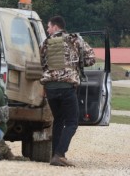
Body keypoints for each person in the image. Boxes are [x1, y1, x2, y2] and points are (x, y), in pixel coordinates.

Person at [40, 15, 96, 167]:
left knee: (58, 120)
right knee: (72, 122)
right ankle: (60, 154)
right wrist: (78, 62)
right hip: (67, 87)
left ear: (56, 27)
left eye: (49, 26)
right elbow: (91, 58)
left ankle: (54, 155)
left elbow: (42, 63)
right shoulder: (75, 40)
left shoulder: (45, 43)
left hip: (50, 87)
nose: (47, 29)